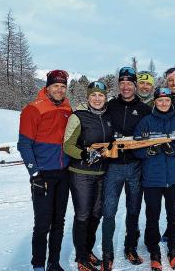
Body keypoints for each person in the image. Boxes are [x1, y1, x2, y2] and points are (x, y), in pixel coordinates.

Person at [18, 70, 72, 271]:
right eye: (56, 86)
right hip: (43, 175)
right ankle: (38, 265)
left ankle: (54, 263)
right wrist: (34, 174)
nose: (59, 90)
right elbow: (24, 145)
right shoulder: (33, 109)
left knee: (59, 221)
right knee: (42, 224)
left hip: (63, 173)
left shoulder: (67, 108)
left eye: (63, 86)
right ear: (47, 87)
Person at [134, 87, 175, 271]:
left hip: (173, 178)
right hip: (152, 179)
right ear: (155, 102)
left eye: (167, 100)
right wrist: (147, 151)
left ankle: (173, 249)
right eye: (160, 100)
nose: (164, 103)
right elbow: (135, 145)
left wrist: (174, 150)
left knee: (174, 215)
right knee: (152, 216)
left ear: (170, 101)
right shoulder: (146, 122)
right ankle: (154, 251)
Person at [101, 67, 152, 269]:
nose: (125, 86)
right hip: (113, 166)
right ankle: (107, 253)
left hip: (135, 166)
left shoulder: (144, 109)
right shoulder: (109, 106)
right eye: (122, 83)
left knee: (133, 209)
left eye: (129, 83)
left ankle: (130, 247)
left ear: (135, 85)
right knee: (109, 211)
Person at [63, 81, 112, 271]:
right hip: (81, 173)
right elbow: (68, 145)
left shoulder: (108, 116)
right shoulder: (78, 116)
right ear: (88, 97)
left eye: (101, 95)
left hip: (101, 172)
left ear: (105, 97)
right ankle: (81, 258)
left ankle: (88, 251)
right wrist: (84, 154)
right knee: (83, 215)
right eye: (94, 95)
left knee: (96, 214)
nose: (97, 99)